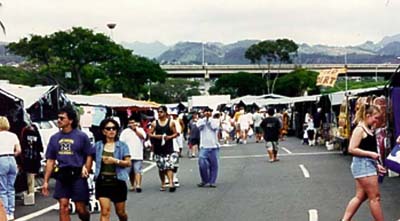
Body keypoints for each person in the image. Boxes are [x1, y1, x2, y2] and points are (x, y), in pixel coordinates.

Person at [42, 106, 92, 221]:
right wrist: (45, 181)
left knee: (81, 208)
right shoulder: (54, 138)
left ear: (70, 120)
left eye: (62, 118)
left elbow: (89, 154)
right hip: (63, 174)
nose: (58, 120)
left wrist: (87, 169)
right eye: (58, 118)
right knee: (63, 206)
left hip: (78, 175)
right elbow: (50, 160)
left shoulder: (81, 136)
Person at [341, 104, 386, 221]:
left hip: (366, 164)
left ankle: (345, 220)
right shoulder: (360, 129)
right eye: (375, 118)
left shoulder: (367, 128)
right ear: (367, 115)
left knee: (361, 196)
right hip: (363, 165)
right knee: (374, 197)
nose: (377, 121)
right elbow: (351, 148)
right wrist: (370, 155)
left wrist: (376, 164)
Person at [93, 118, 131, 221]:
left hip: (118, 181)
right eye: (108, 128)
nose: (111, 131)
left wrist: (115, 161)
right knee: (105, 211)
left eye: (114, 128)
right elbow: (88, 157)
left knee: (121, 213)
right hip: (102, 181)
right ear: (103, 131)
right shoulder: (98, 146)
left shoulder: (122, 146)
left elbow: (128, 163)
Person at [147, 106, 178, 192]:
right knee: (161, 167)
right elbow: (149, 134)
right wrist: (157, 136)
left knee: (169, 166)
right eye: (158, 112)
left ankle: (171, 183)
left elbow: (176, 133)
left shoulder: (171, 122)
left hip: (168, 147)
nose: (159, 114)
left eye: (161, 112)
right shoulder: (154, 123)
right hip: (158, 147)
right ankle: (163, 182)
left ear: (165, 113)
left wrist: (169, 137)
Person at [0, 116, 21, 220]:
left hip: (1, 159)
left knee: (2, 189)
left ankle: (5, 212)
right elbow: (18, 150)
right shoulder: (13, 135)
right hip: (12, 160)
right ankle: (11, 212)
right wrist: (12, 154)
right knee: (11, 188)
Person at [120, 116, 146, 193]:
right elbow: (121, 142)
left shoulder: (140, 130)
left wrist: (135, 130)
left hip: (138, 153)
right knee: (130, 171)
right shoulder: (125, 132)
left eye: (133, 122)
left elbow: (143, 137)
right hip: (128, 155)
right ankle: (132, 184)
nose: (132, 124)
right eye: (130, 123)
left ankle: (138, 185)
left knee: (137, 170)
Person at [196, 107, 220, 188]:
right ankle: (204, 180)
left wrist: (208, 120)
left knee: (214, 165)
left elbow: (214, 127)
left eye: (209, 111)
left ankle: (212, 181)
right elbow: (200, 127)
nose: (207, 113)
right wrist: (205, 119)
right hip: (204, 146)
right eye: (206, 111)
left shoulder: (215, 120)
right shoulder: (200, 120)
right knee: (202, 162)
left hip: (214, 145)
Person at [20, 123, 43, 204]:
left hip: (28, 157)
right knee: (31, 175)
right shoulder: (35, 133)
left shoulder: (25, 132)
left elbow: (22, 144)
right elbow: (40, 145)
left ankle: (30, 191)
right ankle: (31, 191)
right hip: (34, 156)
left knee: (29, 175)